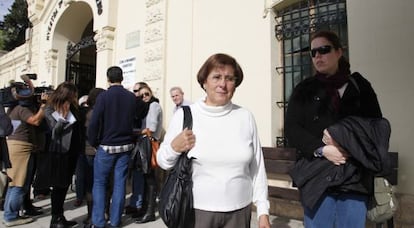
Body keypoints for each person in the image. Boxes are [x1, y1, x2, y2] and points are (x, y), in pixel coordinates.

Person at [157, 53, 271, 228]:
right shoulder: (185, 115)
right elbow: (163, 161)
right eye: (216, 77)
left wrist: (263, 211)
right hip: (197, 212)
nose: (223, 84)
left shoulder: (245, 117)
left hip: (239, 213)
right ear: (204, 82)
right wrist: (174, 147)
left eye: (230, 79)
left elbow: (257, 168)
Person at [285, 30, 383, 228]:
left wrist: (345, 140)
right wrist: (323, 149)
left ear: (339, 52)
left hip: (354, 177)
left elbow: (376, 127)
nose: (318, 56)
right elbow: (292, 128)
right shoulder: (304, 89)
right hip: (317, 177)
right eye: (313, 52)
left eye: (324, 49)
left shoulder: (359, 86)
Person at [88, 66, 137, 228]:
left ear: (108, 79)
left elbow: (94, 122)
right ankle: (115, 221)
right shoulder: (131, 97)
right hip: (125, 145)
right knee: (120, 183)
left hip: (107, 146)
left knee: (100, 183)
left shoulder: (103, 97)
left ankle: (99, 221)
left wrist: (94, 141)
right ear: (122, 78)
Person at [2, 91, 48, 227]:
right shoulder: (22, 109)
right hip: (21, 148)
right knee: (19, 184)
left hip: (15, 146)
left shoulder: (12, 108)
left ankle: (10, 214)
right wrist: (44, 106)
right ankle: (10, 216)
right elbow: (35, 120)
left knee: (14, 183)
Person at [41, 82, 81, 228]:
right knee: (58, 186)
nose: (75, 97)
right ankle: (55, 219)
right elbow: (54, 131)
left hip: (73, 151)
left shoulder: (74, 107)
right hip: (59, 152)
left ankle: (60, 216)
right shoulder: (50, 108)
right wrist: (62, 118)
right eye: (73, 95)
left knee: (65, 185)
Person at [134, 84, 163, 224]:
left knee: (150, 178)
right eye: (141, 95)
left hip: (149, 144)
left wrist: (137, 131)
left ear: (151, 93)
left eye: (146, 94)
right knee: (146, 178)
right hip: (145, 143)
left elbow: (151, 127)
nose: (144, 97)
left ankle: (150, 212)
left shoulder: (154, 106)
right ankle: (145, 209)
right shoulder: (146, 107)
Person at [125, 81, 150, 218]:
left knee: (141, 176)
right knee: (136, 176)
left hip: (143, 145)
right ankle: (135, 202)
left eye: (139, 91)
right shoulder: (138, 106)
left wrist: (136, 132)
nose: (138, 95)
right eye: (135, 92)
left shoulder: (150, 106)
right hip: (136, 144)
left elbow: (148, 129)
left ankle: (139, 204)